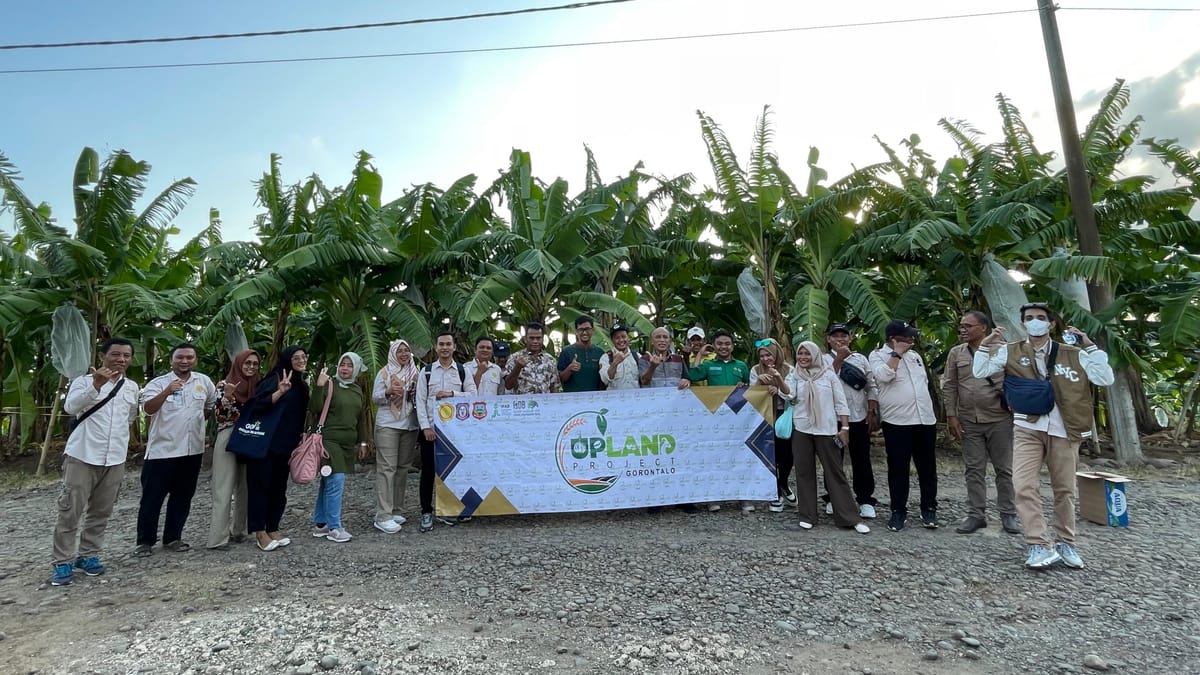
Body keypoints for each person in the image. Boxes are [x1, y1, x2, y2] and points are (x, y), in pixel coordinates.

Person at [974, 302, 1114, 570]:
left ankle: (1065, 542)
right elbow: (980, 371)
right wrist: (985, 345)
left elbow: (1104, 378)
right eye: (1029, 318)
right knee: (1024, 485)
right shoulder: (1010, 351)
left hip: (1065, 430)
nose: (1034, 322)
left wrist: (1090, 346)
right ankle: (1037, 544)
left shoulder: (1073, 354)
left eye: (1040, 318)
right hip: (1028, 427)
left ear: (1051, 324)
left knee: (1064, 490)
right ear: (1023, 323)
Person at [50, 338, 140, 586]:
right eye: (115, 355)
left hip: (115, 458)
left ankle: (88, 555)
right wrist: (96, 385)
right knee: (70, 511)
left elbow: (130, 418)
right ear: (102, 356)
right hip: (82, 455)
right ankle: (62, 561)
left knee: (101, 511)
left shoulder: (131, 387)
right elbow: (71, 407)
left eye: (126, 356)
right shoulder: (82, 381)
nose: (121, 360)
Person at [135, 343, 218, 556]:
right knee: (152, 498)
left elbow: (209, 407)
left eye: (189, 357)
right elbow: (148, 409)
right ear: (172, 360)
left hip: (192, 451)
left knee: (182, 497)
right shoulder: (158, 383)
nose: (185, 361)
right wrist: (166, 391)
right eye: (180, 357)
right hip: (162, 451)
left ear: (195, 360)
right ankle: (145, 541)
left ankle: (173, 537)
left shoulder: (204, 382)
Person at [778, 341, 869, 534]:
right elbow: (789, 396)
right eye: (800, 353)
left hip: (826, 429)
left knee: (835, 472)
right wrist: (779, 380)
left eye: (807, 354)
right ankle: (807, 515)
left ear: (815, 355)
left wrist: (844, 427)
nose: (803, 357)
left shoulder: (828, 374)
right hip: (802, 428)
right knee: (804, 472)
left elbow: (840, 402)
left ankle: (849, 517)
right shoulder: (794, 375)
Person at [942, 311, 1019, 535]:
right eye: (961, 326)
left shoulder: (1003, 351)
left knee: (1004, 469)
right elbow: (950, 385)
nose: (962, 330)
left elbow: (1016, 380)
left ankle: (1008, 514)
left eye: (968, 326)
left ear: (983, 328)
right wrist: (951, 416)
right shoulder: (956, 353)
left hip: (999, 419)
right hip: (969, 420)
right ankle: (977, 515)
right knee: (974, 469)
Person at [869, 320, 939, 533]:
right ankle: (898, 511)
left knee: (928, 468)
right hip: (898, 422)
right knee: (898, 469)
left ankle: (929, 508)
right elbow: (883, 377)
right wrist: (896, 355)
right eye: (907, 337)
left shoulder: (916, 356)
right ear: (894, 339)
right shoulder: (876, 356)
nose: (912, 339)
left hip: (924, 419)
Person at [245, 345, 310, 552]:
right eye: (296, 357)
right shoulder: (274, 379)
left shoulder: (301, 385)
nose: (301, 360)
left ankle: (273, 527)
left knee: (279, 489)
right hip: (265, 444)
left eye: (303, 357)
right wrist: (279, 392)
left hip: (286, 445)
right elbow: (257, 405)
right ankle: (259, 531)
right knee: (260, 487)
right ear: (287, 359)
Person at [416, 331, 478, 532]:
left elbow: (472, 395)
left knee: (456, 472)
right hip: (431, 431)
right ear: (436, 347)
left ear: (454, 347)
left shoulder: (462, 371)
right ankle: (426, 512)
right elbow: (420, 401)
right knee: (427, 473)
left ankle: (453, 509)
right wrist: (426, 427)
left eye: (448, 344)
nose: (444, 347)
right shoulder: (426, 372)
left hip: (455, 433)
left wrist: (452, 394)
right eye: (441, 344)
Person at [687, 329, 750, 512]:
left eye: (727, 343)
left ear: (732, 346)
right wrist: (699, 354)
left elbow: (750, 389)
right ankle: (714, 496)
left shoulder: (741, 366)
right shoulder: (708, 366)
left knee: (738, 456)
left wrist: (744, 387)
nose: (724, 347)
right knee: (715, 457)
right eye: (720, 344)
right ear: (714, 346)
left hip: (737, 419)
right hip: (714, 419)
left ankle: (743, 497)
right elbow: (693, 375)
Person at [311, 353, 370, 543]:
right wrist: (319, 386)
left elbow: (359, 419)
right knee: (336, 480)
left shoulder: (356, 390)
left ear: (356, 369)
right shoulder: (330, 384)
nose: (345, 368)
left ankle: (321, 524)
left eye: (350, 365)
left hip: (347, 444)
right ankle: (335, 527)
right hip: (329, 441)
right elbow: (315, 407)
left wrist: (362, 442)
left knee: (327, 482)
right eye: (342, 364)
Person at [823, 324, 880, 519]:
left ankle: (865, 499)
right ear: (828, 339)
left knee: (861, 458)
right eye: (835, 336)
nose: (840, 339)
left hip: (858, 417)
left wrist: (871, 410)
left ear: (850, 339)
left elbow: (871, 386)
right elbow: (823, 381)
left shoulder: (861, 359)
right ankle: (833, 498)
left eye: (844, 336)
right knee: (833, 460)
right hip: (832, 419)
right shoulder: (822, 359)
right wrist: (839, 359)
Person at [207, 349, 261, 550]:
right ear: (238, 364)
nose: (251, 367)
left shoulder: (258, 386)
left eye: (255, 364)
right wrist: (228, 397)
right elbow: (219, 417)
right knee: (223, 487)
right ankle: (217, 539)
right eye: (247, 363)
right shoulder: (223, 385)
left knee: (245, 486)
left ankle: (240, 530)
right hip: (228, 435)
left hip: (250, 437)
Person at [371, 339, 421, 534]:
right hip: (388, 425)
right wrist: (388, 391)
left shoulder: (415, 373)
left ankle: (396, 509)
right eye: (399, 351)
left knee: (402, 469)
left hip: (409, 424)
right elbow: (376, 398)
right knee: (387, 468)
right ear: (393, 353)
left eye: (406, 351)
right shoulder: (385, 372)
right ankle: (383, 515)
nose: (403, 354)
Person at [749, 338, 795, 512]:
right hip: (764, 416)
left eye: (769, 354)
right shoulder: (755, 370)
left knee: (787, 455)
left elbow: (793, 393)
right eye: (762, 355)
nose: (766, 358)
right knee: (770, 455)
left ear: (776, 354)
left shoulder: (789, 369)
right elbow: (750, 396)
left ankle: (783, 482)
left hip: (784, 415)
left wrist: (778, 390)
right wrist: (760, 383)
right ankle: (775, 493)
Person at [503, 323, 560, 395]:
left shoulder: (550, 360)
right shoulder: (515, 358)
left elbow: (554, 387)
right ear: (525, 339)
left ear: (542, 338)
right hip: (523, 404)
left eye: (538, 338)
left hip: (544, 404)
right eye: (531, 338)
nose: (535, 341)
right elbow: (508, 386)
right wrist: (517, 367)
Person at [559, 315, 606, 392]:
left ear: (593, 330)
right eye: (581, 329)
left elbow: (604, 380)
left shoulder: (600, 352)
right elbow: (560, 380)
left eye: (587, 329)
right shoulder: (566, 352)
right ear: (576, 332)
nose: (584, 332)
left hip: (594, 399)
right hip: (572, 399)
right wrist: (569, 368)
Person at [600, 324, 640, 390]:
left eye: (623, 336)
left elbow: (644, 380)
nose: (621, 340)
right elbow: (605, 380)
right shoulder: (606, 357)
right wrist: (615, 363)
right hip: (614, 399)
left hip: (634, 398)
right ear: (612, 340)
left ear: (628, 338)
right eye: (617, 338)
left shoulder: (637, 356)